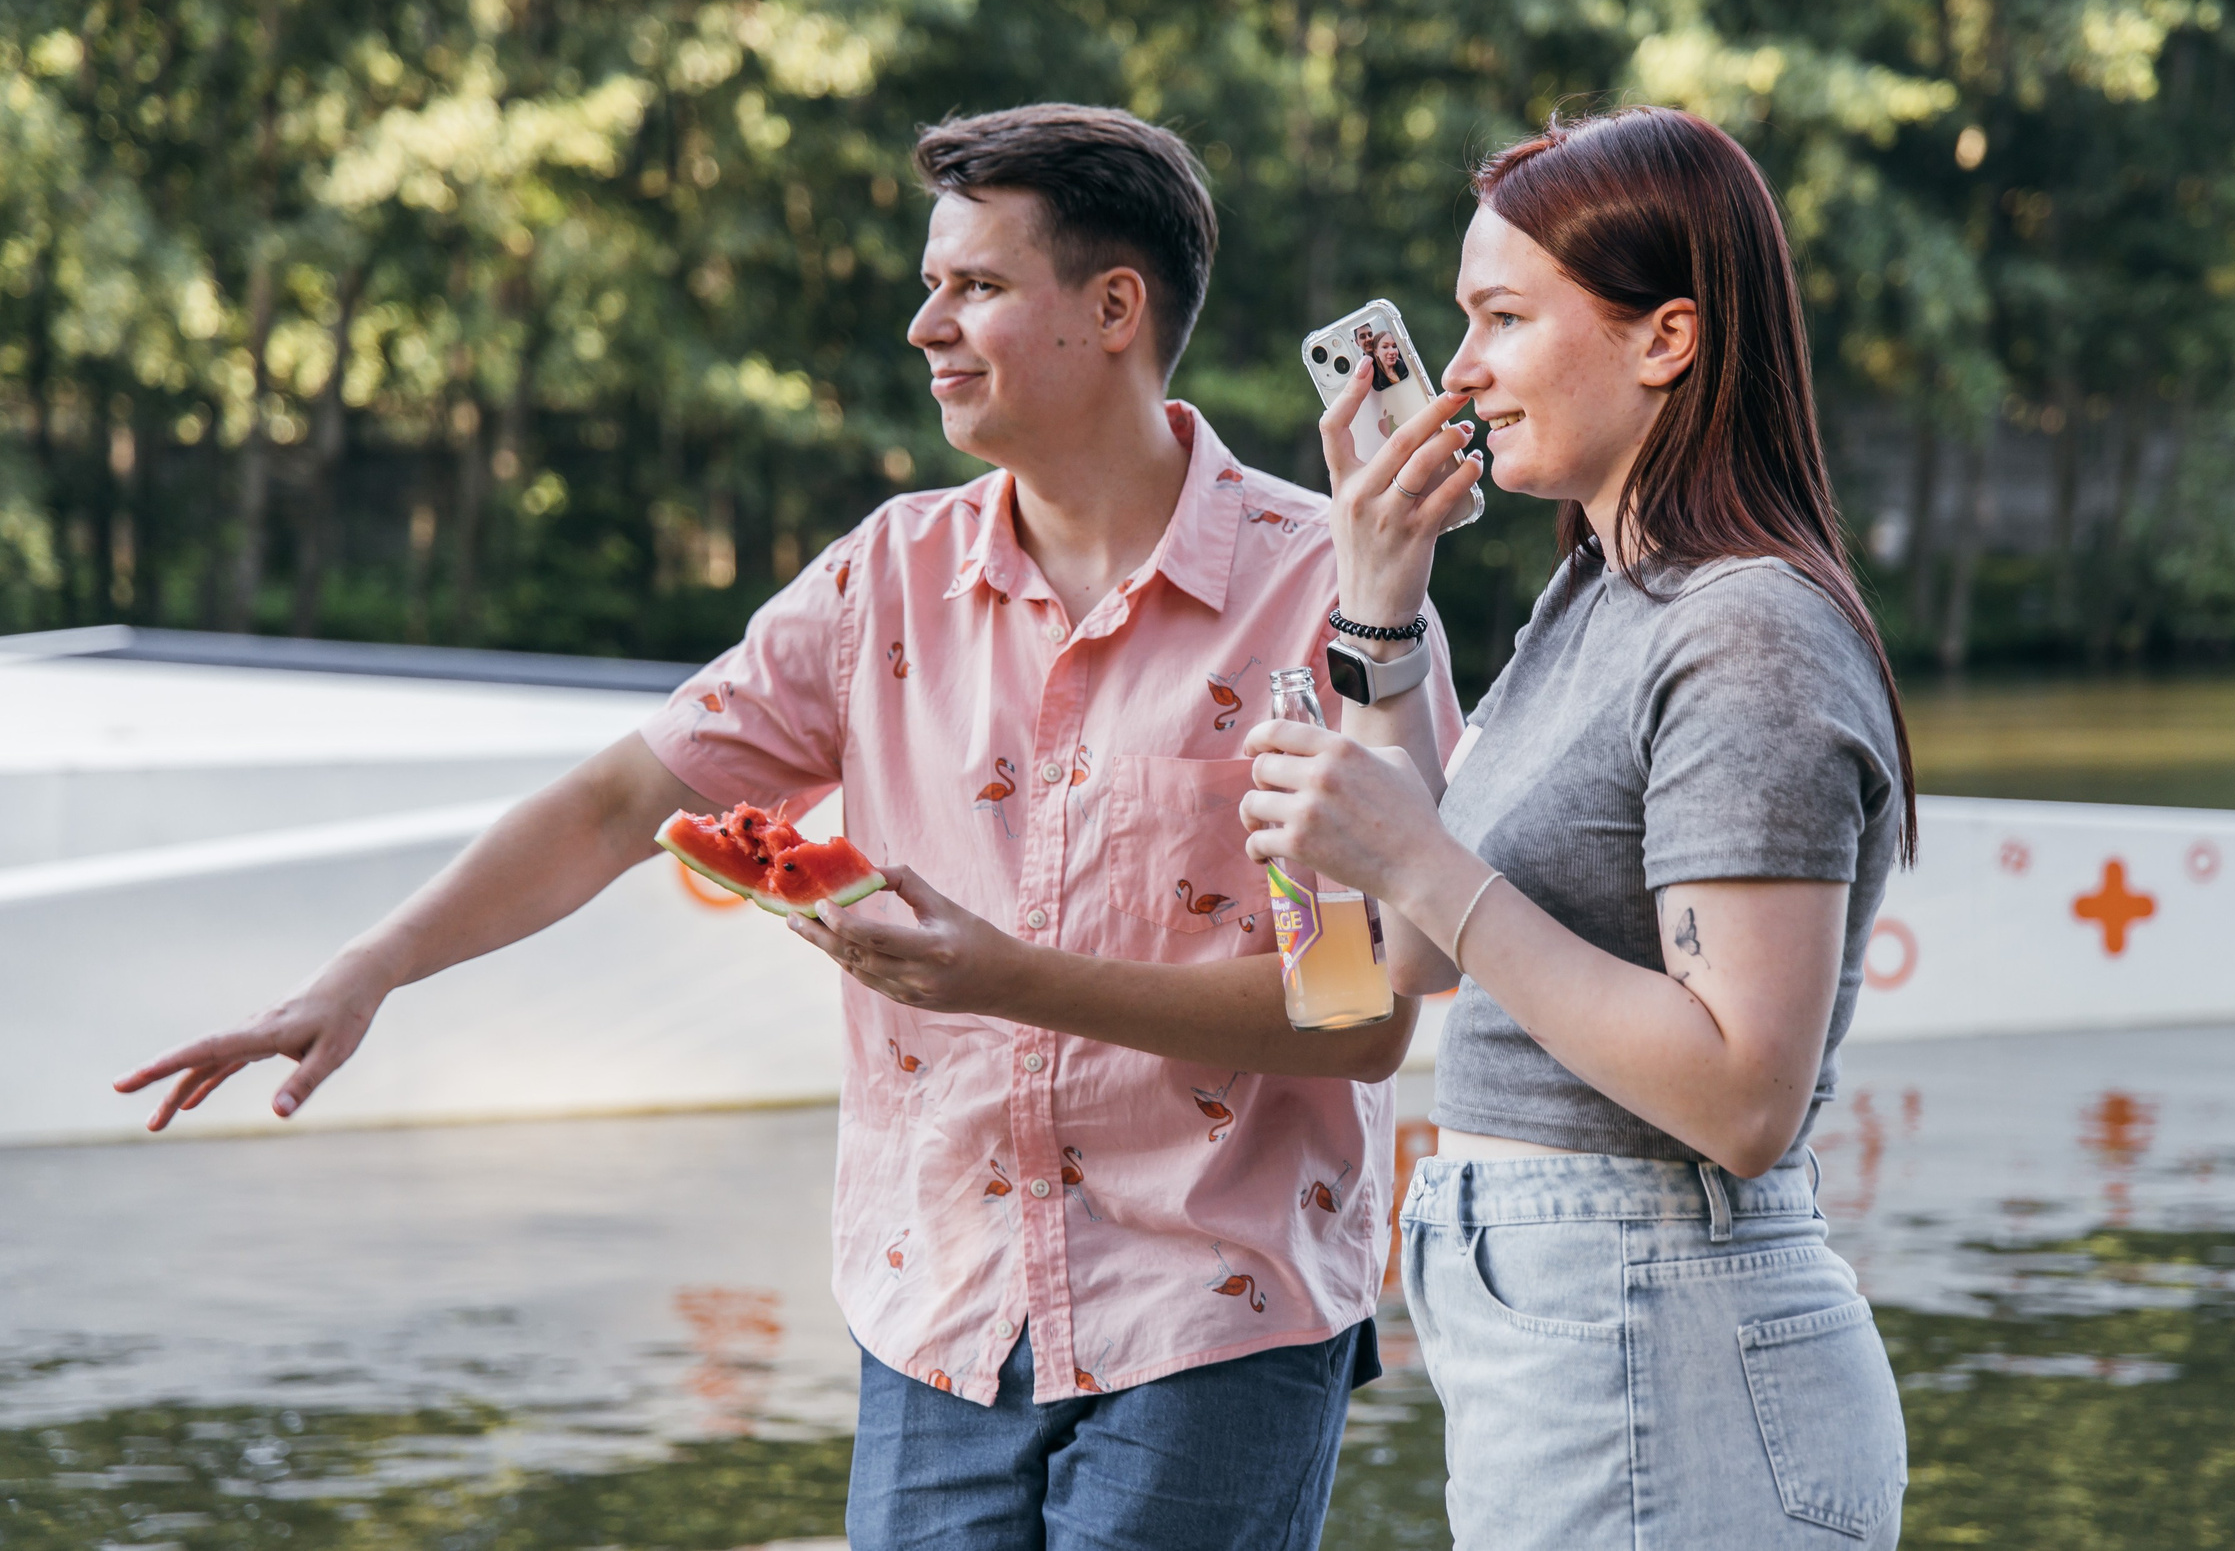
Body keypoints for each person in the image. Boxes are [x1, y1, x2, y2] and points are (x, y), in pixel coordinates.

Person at [114, 103, 1463, 1551]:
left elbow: (1361, 1016)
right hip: (936, 1313)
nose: (924, 324)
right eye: (932, 283)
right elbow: (622, 802)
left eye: (978, 287)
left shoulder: (1329, 595)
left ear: (1116, 308)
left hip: (1219, 1316)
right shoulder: (880, 581)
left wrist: (1004, 978)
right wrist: (364, 970)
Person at [1239, 105, 1917, 1548]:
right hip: (1574, 1325)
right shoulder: (1600, 599)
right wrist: (1381, 594)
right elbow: (1416, 956)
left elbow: (1742, 1101)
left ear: (1664, 338)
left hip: (1659, 1316)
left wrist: (1414, 852)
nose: (1463, 369)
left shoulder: (1748, 637)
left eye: (1501, 316)